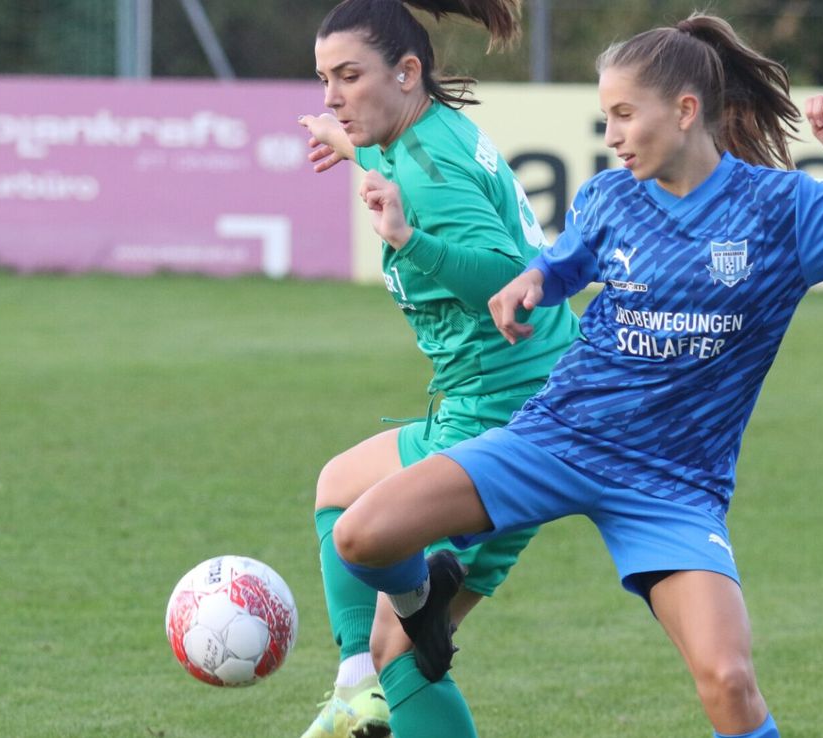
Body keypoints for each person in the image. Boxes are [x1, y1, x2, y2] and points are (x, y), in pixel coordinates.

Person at [330, 11, 823, 738]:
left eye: (624, 115)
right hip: (554, 439)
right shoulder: (609, 198)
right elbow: (566, 265)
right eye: (606, 117)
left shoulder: (782, 210)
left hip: (671, 485)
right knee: (361, 536)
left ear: (686, 110)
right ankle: (424, 609)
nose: (612, 135)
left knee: (728, 679)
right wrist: (531, 282)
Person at [294, 1, 578, 737]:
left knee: (406, 652)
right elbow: (390, 153)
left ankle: (382, 662)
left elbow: (509, 274)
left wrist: (410, 238)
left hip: (505, 418)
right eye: (325, 80)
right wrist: (345, 140)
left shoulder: (426, 172)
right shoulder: (422, 129)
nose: (331, 96)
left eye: (348, 77)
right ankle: (356, 689)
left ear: (407, 71)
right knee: (339, 485)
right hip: (515, 398)